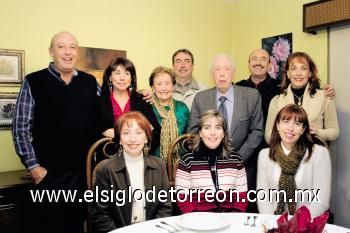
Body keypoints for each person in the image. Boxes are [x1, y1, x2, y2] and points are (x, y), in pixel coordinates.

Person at [12, 31, 99, 233]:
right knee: (47, 227)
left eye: (72, 47)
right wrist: (34, 167)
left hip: (81, 175)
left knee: (76, 225)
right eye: (61, 47)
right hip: (48, 174)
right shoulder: (33, 81)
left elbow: (109, 108)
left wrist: (139, 93)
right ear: (51, 51)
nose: (67, 52)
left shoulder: (90, 82)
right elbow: (20, 128)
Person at [91, 112, 172, 232]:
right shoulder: (105, 169)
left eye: (138, 132)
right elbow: (100, 215)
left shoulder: (159, 165)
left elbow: (165, 207)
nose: (133, 139)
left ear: (146, 138)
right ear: (119, 140)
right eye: (126, 133)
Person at [257, 104, 331, 218]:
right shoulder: (264, 155)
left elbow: (321, 201)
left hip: (306, 225)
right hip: (274, 224)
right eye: (286, 121)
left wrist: (296, 224)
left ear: (303, 129)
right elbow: (263, 198)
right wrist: (274, 224)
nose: (290, 128)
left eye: (297, 123)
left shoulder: (319, 154)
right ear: (277, 125)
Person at [175, 110, 248, 213]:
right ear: (200, 133)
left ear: (223, 133)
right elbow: (183, 199)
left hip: (230, 220)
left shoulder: (236, 160)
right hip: (198, 221)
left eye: (218, 127)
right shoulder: (187, 161)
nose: (212, 133)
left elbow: (241, 198)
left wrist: (232, 220)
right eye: (207, 127)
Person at [265, 52, 339, 144]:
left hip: (315, 154)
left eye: (303, 68)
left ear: (310, 73)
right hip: (286, 155)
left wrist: (317, 132)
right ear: (288, 73)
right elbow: (268, 136)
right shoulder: (276, 101)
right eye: (293, 68)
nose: (298, 73)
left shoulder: (325, 96)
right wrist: (286, 135)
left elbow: (334, 132)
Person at [99, 57, 161, 153]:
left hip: (138, 158)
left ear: (131, 78)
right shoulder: (99, 102)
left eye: (127, 73)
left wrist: (117, 134)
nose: (122, 78)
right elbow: (92, 131)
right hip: (107, 160)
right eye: (117, 73)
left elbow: (156, 133)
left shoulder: (142, 100)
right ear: (110, 77)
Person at [140, 49, 208, 109]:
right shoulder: (162, 89)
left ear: (192, 65)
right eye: (178, 61)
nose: (182, 65)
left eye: (187, 61)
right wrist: (142, 92)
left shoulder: (204, 89)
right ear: (173, 65)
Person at [148, 66, 190, 160]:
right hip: (153, 163)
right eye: (159, 84)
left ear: (173, 86)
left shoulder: (182, 107)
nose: (164, 88)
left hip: (180, 162)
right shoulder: (147, 107)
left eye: (167, 83)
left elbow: (189, 137)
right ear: (153, 88)